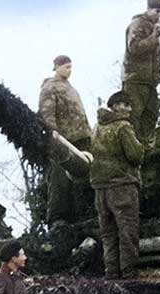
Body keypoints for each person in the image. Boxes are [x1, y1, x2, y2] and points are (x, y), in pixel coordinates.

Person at [90, 91, 145, 279]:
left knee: (108, 233)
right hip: (122, 186)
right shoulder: (123, 127)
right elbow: (135, 155)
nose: (129, 109)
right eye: (126, 105)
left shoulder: (96, 127)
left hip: (100, 189)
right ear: (116, 106)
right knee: (127, 230)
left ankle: (111, 272)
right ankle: (129, 273)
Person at [38, 55, 93, 225]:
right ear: (57, 67)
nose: (69, 71)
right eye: (66, 67)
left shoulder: (70, 88)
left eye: (71, 67)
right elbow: (47, 113)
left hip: (81, 137)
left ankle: (82, 213)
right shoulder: (50, 87)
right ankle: (57, 217)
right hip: (63, 140)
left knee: (81, 179)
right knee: (59, 178)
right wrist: (52, 133)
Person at [122, 0, 160, 141]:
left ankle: (144, 149)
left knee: (151, 115)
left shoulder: (152, 26)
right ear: (148, 9)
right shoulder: (138, 24)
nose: (159, 15)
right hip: (135, 79)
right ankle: (133, 148)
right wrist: (153, 38)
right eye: (156, 11)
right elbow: (134, 47)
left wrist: (157, 75)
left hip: (149, 82)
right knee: (134, 116)